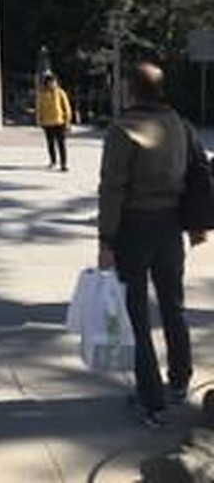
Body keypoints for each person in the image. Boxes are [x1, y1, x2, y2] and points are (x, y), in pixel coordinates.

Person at [98, 61, 204, 427]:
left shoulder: (122, 129)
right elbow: (198, 172)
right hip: (171, 225)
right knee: (174, 306)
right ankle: (180, 379)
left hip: (134, 228)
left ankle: (151, 399)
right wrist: (197, 223)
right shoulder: (180, 123)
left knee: (137, 314)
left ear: (130, 89)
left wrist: (105, 240)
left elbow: (112, 188)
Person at [36, 72, 72, 171]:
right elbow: (39, 108)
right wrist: (39, 119)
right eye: (50, 82)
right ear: (46, 83)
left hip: (60, 122)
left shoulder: (60, 92)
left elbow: (67, 107)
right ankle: (53, 161)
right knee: (50, 143)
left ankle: (63, 164)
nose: (52, 84)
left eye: (53, 82)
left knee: (61, 144)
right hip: (47, 123)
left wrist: (68, 120)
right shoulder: (42, 94)